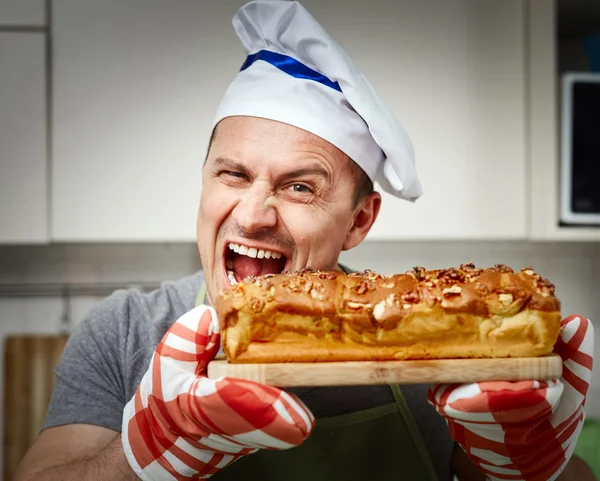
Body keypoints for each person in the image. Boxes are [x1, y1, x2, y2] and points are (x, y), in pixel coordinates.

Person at [15, 2, 595, 480]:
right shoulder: (124, 329)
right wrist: (144, 453)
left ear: (359, 222)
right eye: (233, 175)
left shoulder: (437, 346)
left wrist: (523, 468)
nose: (254, 214)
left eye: (299, 187)